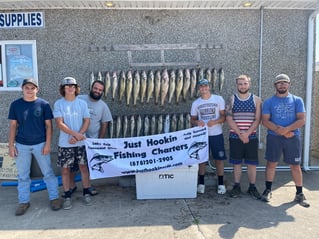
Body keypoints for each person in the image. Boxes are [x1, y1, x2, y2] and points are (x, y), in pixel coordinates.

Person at [8, 78, 61, 216]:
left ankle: (54, 198)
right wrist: (11, 146)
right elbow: (13, 126)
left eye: (32, 88)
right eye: (27, 88)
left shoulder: (43, 104)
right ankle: (24, 202)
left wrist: (48, 144)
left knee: (48, 173)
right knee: (23, 176)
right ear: (22, 89)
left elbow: (49, 126)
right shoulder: (15, 105)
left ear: (37, 89)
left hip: (40, 144)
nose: (30, 90)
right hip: (21, 145)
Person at [261, 74, 310, 207]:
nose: (282, 85)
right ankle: (268, 190)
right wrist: (279, 130)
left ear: (289, 84)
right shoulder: (269, 101)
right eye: (279, 83)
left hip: (292, 137)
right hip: (274, 137)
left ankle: (299, 193)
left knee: (295, 166)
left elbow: (302, 119)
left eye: (285, 82)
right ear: (275, 85)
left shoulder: (297, 100)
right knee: (271, 163)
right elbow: (265, 120)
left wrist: (287, 130)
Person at [65, 80, 113, 196]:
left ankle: (88, 186)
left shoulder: (103, 106)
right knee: (73, 165)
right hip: (75, 139)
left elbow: (104, 124)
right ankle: (71, 186)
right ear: (91, 88)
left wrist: (99, 141)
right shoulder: (80, 99)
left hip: (90, 142)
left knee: (87, 166)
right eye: (96, 88)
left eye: (100, 90)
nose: (97, 91)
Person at [53, 77, 92, 210]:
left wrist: (78, 136)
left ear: (76, 88)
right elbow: (59, 123)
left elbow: (87, 120)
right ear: (63, 88)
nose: (70, 88)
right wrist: (75, 135)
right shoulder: (59, 104)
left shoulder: (82, 103)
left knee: (84, 168)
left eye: (73, 86)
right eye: (67, 86)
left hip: (80, 143)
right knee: (65, 170)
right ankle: (67, 195)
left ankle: (86, 191)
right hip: (65, 143)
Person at [226, 75, 262, 199]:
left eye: (245, 83)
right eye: (240, 84)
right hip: (235, 136)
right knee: (237, 163)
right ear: (237, 85)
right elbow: (229, 118)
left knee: (252, 163)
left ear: (249, 84)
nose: (242, 86)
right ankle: (237, 186)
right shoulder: (231, 99)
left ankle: (252, 187)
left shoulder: (256, 100)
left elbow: (258, 119)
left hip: (251, 137)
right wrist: (240, 134)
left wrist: (247, 133)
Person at [190, 78, 227, 195]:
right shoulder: (196, 103)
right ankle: (201, 183)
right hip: (202, 136)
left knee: (219, 160)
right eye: (201, 86)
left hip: (216, 134)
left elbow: (224, 117)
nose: (204, 88)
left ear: (209, 87)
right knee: (201, 160)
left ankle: (221, 183)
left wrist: (215, 122)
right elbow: (192, 119)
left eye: (206, 86)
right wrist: (197, 123)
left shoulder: (218, 99)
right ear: (199, 89)